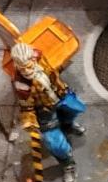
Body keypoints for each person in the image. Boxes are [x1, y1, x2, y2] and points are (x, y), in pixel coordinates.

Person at [7, 37, 88, 165]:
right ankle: (67, 162)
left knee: (75, 108)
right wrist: (29, 121)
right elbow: (26, 105)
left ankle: (67, 125)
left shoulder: (40, 59)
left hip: (60, 95)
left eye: (28, 66)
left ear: (33, 58)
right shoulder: (21, 84)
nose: (26, 71)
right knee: (55, 143)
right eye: (22, 68)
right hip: (44, 110)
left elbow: (53, 72)